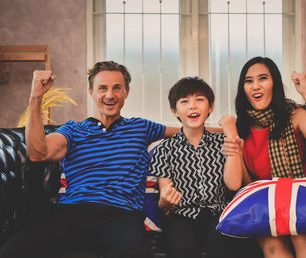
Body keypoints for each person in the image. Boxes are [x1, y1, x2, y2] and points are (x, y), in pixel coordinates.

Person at [0, 61, 179, 258]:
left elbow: (190, 131)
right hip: (72, 211)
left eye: (117, 88)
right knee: (11, 252)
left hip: (122, 214)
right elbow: (37, 153)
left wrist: (220, 129)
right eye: (102, 88)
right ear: (91, 91)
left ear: (127, 92)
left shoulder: (141, 127)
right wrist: (36, 97)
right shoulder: (73, 130)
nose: (110, 95)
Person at [219, 56, 306, 258]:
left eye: (263, 78)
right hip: (266, 210)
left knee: (301, 236)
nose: (255, 86)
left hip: (305, 205)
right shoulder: (241, 130)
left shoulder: (295, 116)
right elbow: (245, 186)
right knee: (273, 245)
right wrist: (231, 141)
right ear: (243, 89)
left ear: (274, 83)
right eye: (248, 81)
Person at [148, 77, 261, 258]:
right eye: (184, 101)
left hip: (219, 213)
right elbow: (163, 198)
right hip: (183, 215)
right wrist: (166, 201)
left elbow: (233, 185)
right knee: (180, 244)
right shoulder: (165, 149)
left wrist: (231, 135)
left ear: (210, 107)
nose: (192, 106)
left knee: (222, 243)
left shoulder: (221, 143)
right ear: (175, 111)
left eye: (199, 100)